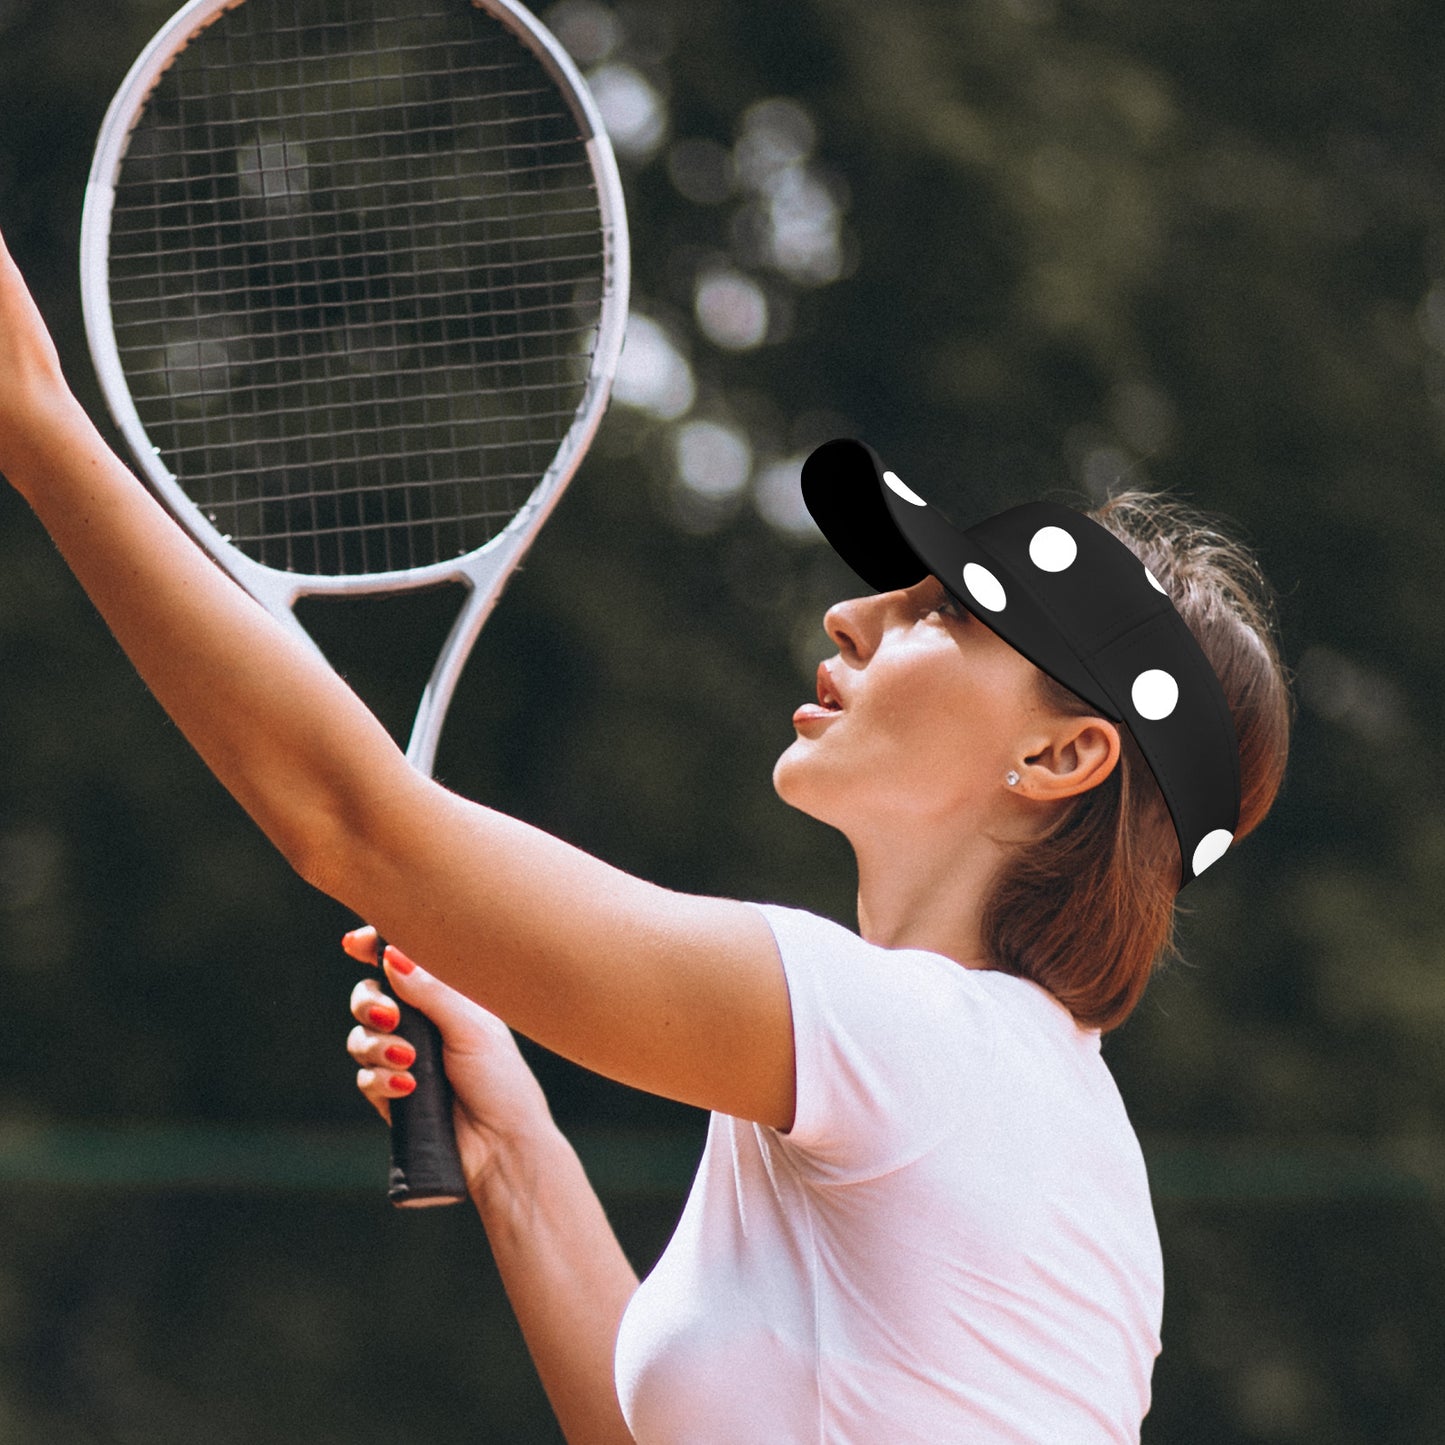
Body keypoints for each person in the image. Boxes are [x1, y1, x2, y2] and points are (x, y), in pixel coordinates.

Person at [0, 224, 1290, 1443]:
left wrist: (39, 423)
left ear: (1062, 756)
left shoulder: (912, 1048)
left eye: (942, 615)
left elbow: (351, 823)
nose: (852, 620)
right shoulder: (968, 1087)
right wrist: (516, 1155)